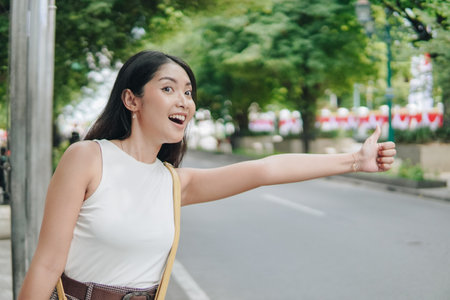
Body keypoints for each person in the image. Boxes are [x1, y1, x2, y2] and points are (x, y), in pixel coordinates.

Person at [18, 50, 396, 300]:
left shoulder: (172, 182)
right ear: (131, 99)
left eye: (188, 91)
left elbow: (265, 169)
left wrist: (353, 161)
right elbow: (47, 264)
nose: (184, 100)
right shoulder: (88, 157)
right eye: (168, 89)